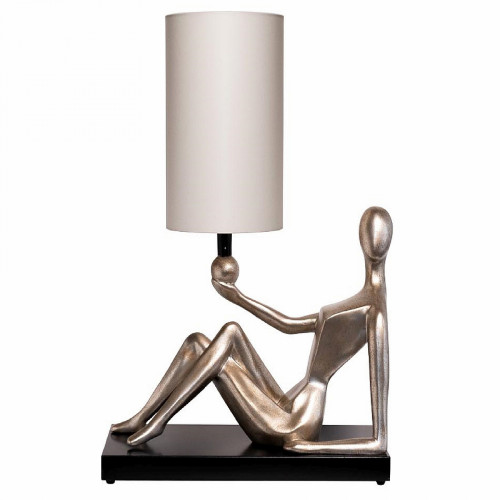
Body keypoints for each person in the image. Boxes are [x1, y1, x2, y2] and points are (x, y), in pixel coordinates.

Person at [111, 207, 392, 455]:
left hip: (295, 424)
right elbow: (288, 324)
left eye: (378, 234)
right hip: (286, 403)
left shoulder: (375, 313)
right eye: (369, 232)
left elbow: (378, 442)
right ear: (360, 239)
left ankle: (160, 421)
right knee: (199, 341)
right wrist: (238, 297)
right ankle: (143, 416)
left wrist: (310, 447)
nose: (373, 241)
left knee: (223, 348)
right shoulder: (357, 300)